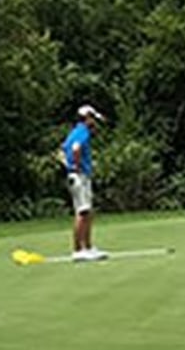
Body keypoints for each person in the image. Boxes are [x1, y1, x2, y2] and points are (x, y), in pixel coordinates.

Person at [61, 104, 106, 261]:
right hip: (79, 176)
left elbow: (64, 149)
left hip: (78, 175)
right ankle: (78, 250)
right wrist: (77, 166)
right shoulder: (82, 132)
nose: (94, 122)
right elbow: (75, 148)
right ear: (86, 118)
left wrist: (70, 165)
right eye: (92, 118)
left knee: (88, 212)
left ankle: (88, 247)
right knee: (82, 212)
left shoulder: (75, 132)